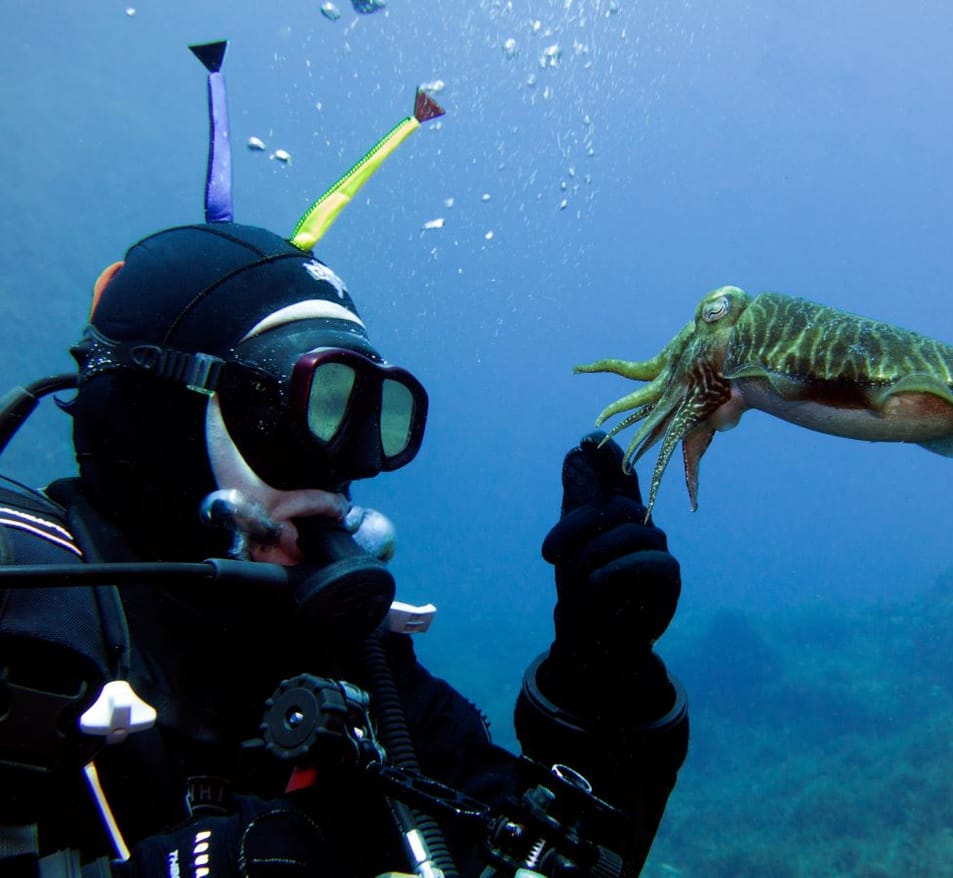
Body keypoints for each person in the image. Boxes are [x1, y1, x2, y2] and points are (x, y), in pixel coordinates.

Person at [0, 43, 687, 878]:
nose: (334, 470)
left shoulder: (361, 675)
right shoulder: (20, 604)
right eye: (308, 410)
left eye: (369, 420)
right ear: (158, 418)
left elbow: (575, 866)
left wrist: (604, 685)